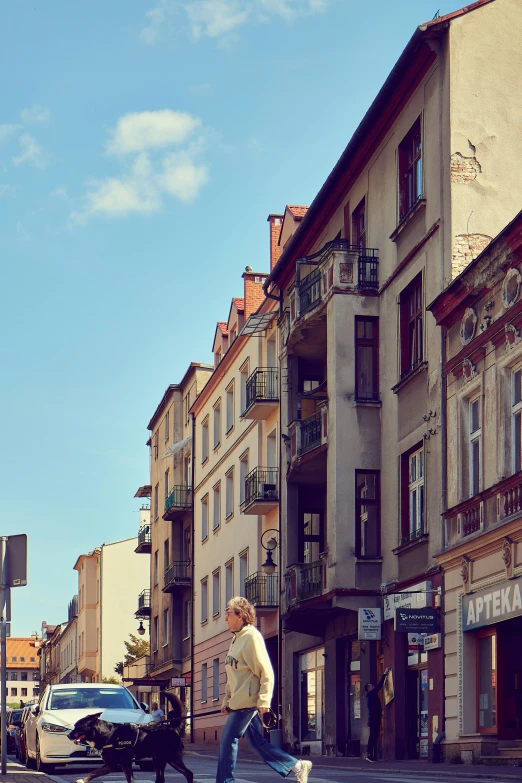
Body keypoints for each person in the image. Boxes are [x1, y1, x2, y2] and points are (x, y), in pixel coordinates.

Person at [217, 596, 312, 783]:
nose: (225, 618)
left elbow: (266, 671)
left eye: (228, 613)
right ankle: (298, 766)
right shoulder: (236, 639)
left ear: (241, 616)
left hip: (248, 702)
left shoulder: (251, 637)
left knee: (228, 741)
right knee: (257, 744)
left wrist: (264, 701)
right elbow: (234, 675)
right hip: (239, 702)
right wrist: (226, 700)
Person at [364, 667, 391, 762]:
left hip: (374, 718)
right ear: (369, 689)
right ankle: (369, 754)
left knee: (374, 736)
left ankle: (371, 754)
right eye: (371, 686)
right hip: (374, 718)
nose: (373, 686)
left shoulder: (370, 695)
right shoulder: (371, 694)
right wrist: (384, 674)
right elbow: (379, 686)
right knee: (373, 736)